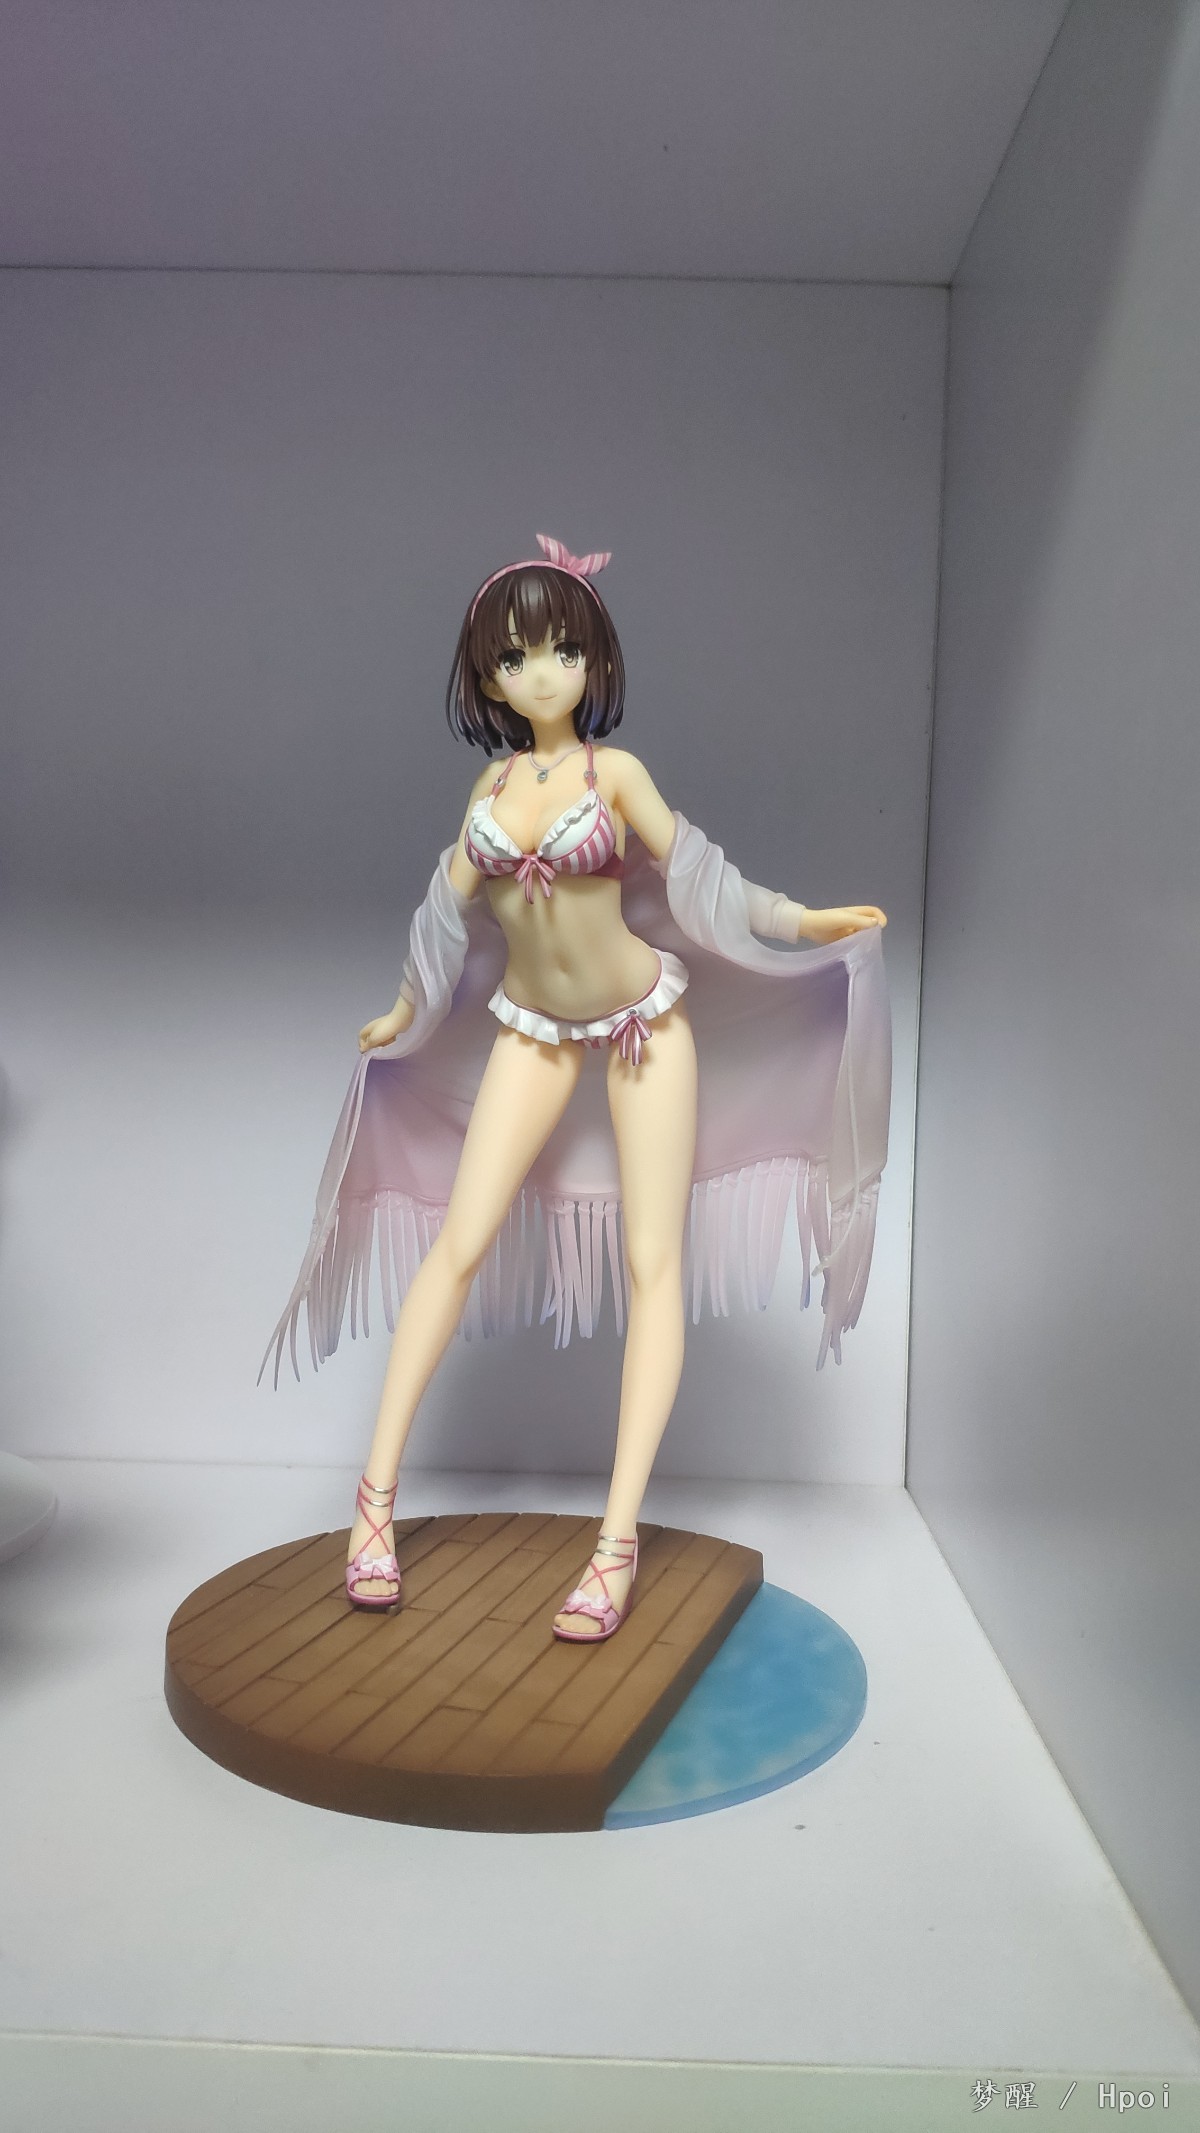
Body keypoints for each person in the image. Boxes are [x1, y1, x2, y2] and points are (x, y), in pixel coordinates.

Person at [263, 536, 889, 1643]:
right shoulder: (493, 786)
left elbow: (706, 881)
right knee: (458, 1243)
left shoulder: (616, 774)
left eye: (560, 650)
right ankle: (373, 1505)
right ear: (488, 677)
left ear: (593, 659)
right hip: (533, 1030)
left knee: (654, 1265)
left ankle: (615, 1543)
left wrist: (803, 922)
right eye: (515, 658)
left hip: (645, 1023)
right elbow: (444, 911)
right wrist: (406, 1011)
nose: (541, 673)